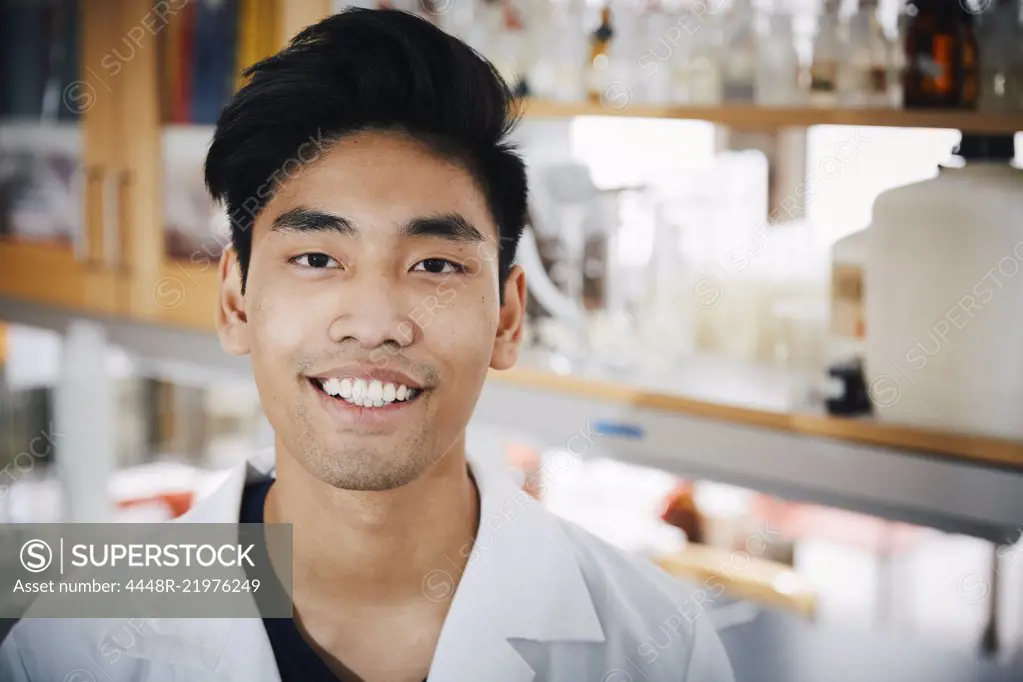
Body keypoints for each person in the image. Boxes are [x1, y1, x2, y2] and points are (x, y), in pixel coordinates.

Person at [0, 8, 734, 682]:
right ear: (234, 301)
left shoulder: (652, 645)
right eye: (317, 258)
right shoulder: (78, 638)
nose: (375, 321)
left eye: (436, 264)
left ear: (507, 320)